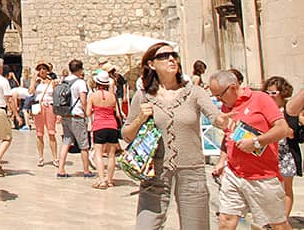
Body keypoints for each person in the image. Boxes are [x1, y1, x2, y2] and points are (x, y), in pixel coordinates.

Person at [123, 42, 227, 229]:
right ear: (151, 64)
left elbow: (214, 116)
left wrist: (224, 120)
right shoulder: (143, 96)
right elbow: (127, 135)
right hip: (155, 174)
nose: (171, 59)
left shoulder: (194, 92)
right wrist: (140, 118)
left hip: (191, 171)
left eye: (174, 55)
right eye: (163, 56)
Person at [208, 70, 293, 230]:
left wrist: (256, 142)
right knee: (226, 220)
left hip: (262, 176)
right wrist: (221, 161)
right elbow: (229, 138)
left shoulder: (261, 99)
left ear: (233, 87)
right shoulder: (227, 107)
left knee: (278, 225)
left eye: (219, 95)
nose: (218, 100)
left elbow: (282, 129)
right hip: (234, 173)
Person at [263, 76, 303, 220]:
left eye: (273, 93)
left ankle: (283, 219)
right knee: (270, 189)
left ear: (282, 92)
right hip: (269, 153)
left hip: (286, 154)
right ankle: (274, 218)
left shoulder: (288, 109)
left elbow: (292, 133)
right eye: (267, 92)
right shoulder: (266, 109)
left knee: (286, 189)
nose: (270, 96)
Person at [56, 59, 91, 178]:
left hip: (65, 114)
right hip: (77, 115)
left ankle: (61, 169)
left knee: (66, 141)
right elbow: (83, 100)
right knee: (84, 144)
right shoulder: (80, 82)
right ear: (80, 69)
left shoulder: (64, 81)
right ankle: (86, 170)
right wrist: (86, 113)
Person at [86, 69, 121, 189]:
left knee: (98, 154)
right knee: (111, 155)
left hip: (99, 126)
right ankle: (110, 180)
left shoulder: (92, 96)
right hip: (112, 126)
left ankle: (102, 180)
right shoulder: (112, 96)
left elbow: (87, 112)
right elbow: (117, 114)